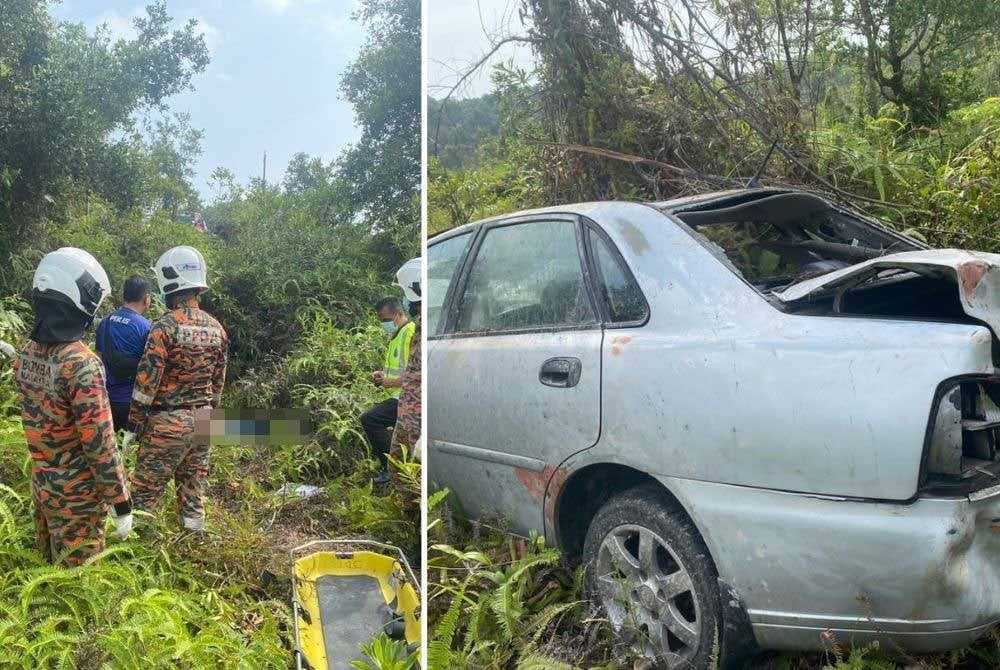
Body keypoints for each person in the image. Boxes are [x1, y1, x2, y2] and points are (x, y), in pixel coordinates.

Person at [13, 248, 132, 567]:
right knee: (77, 591)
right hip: (77, 499)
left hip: (42, 485)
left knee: (47, 574)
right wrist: (120, 503)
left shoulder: (26, 353)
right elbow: (100, 445)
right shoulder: (82, 364)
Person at [121, 246, 228, 531]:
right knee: (193, 491)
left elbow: (147, 383)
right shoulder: (218, 328)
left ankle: (139, 559)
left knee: (144, 495)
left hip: (167, 424)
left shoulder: (164, 327)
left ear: (171, 284)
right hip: (205, 420)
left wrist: (133, 425)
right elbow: (218, 386)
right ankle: (194, 543)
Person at [361, 295, 416, 484]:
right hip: (397, 395)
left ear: (399, 314)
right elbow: (400, 367)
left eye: (386, 320)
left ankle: (391, 469)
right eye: (381, 321)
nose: (384, 324)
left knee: (370, 419)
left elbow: (416, 372)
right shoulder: (396, 336)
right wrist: (381, 374)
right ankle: (398, 468)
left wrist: (390, 382)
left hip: (408, 397)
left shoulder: (409, 333)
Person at [95, 276, 152, 432]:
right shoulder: (147, 328)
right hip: (132, 404)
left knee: (109, 448)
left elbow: (97, 359)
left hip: (105, 401)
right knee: (129, 451)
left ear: (123, 296)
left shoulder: (105, 322)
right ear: (146, 298)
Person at [391, 257, 422, 460]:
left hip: (414, 414)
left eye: (405, 295)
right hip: (406, 411)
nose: (404, 301)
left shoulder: (419, 330)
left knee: (410, 470)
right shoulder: (420, 326)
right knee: (399, 466)